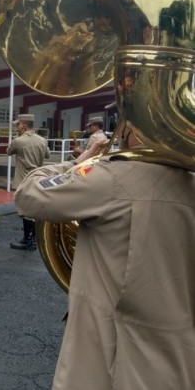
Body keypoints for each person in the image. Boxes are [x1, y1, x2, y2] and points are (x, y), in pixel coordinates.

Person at [14, 125, 195, 390]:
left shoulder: (113, 176)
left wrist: (80, 160)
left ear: (133, 128)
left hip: (108, 360)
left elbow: (28, 194)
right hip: (178, 361)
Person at [6, 114, 50, 250]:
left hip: (23, 179)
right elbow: (47, 154)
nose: (17, 127)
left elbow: (8, 151)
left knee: (25, 210)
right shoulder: (42, 140)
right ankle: (34, 237)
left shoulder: (19, 141)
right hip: (37, 177)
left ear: (24, 126)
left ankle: (27, 240)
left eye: (18, 125)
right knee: (34, 208)